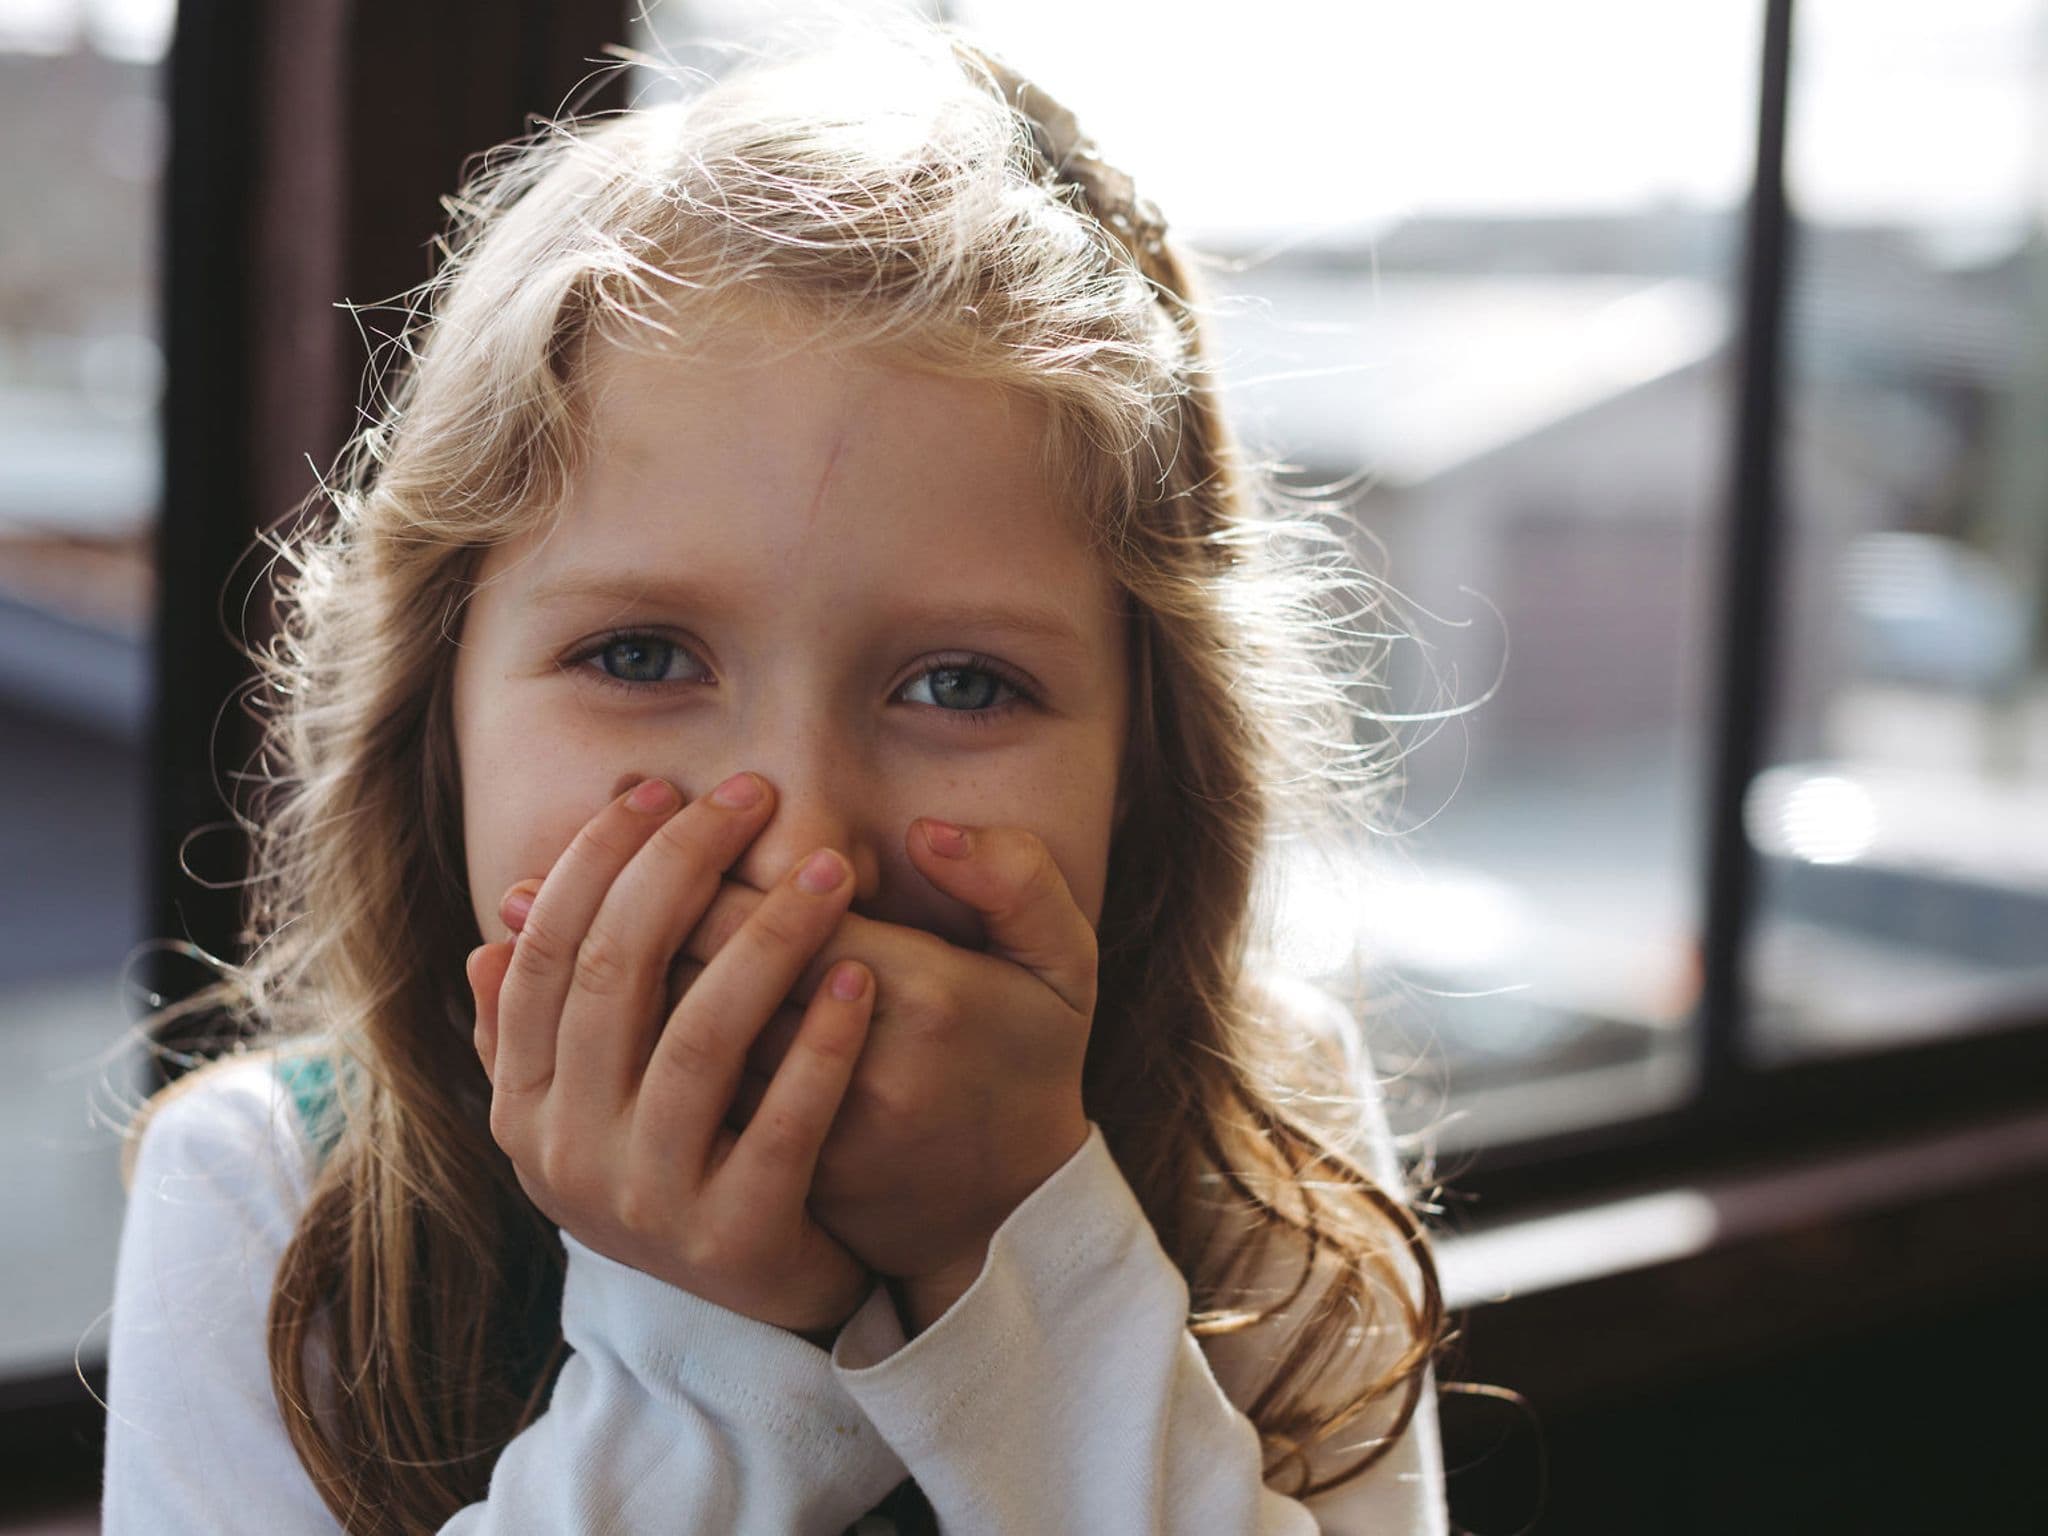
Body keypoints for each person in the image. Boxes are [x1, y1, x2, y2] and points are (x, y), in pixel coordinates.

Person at [103, 16, 1448, 1534]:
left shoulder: (1262, 1130)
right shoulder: (265, 1192)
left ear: (1146, 760)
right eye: (640, 657)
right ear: (439, 715)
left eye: (960, 685)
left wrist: (1019, 1250)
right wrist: (716, 1350)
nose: (802, 841)